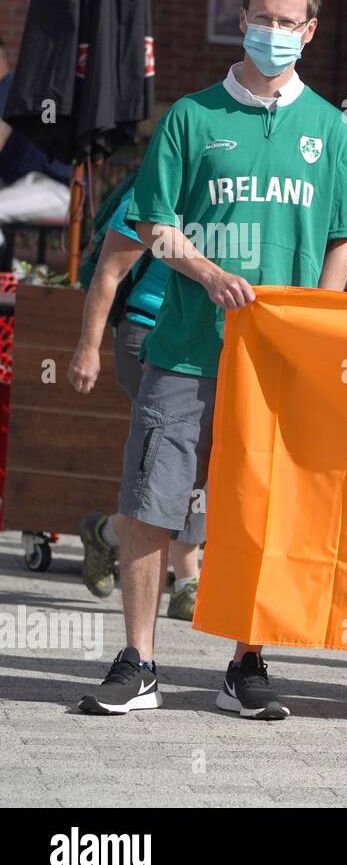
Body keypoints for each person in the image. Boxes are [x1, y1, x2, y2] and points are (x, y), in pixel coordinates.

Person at [77, 0, 347, 719]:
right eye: (260, 18)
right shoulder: (190, 115)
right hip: (183, 346)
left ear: (309, 31)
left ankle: (247, 663)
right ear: (242, 18)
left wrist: (318, 319)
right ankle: (139, 660)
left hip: (278, 362)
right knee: (152, 501)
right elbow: (153, 226)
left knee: (260, 511)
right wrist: (206, 272)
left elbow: (345, 238)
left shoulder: (332, 129)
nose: (272, 33)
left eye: (288, 22)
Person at [68, 173, 203, 618]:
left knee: (201, 458)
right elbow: (110, 270)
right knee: (174, 456)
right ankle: (187, 581)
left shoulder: (235, 185)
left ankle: (106, 533)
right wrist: (88, 348)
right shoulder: (154, 188)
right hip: (147, 332)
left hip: (206, 338)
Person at [0, 40, 72, 244]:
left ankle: (9, 270)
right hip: (27, 188)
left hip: (54, 190)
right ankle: (13, 270)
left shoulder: (10, 86)